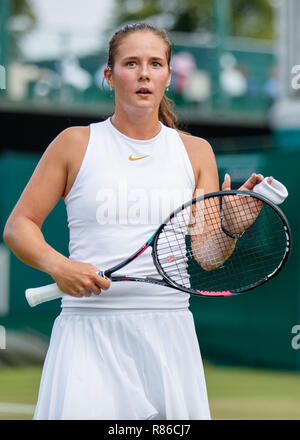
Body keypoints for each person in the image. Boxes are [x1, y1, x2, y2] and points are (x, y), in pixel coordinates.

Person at [3, 22, 267, 420]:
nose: (144, 73)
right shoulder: (74, 143)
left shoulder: (196, 152)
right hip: (87, 332)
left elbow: (209, 256)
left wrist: (230, 226)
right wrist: (60, 267)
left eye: (155, 63)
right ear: (109, 76)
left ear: (168, 77)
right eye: (131, 63)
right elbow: (19, 225)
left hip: (169, 334)